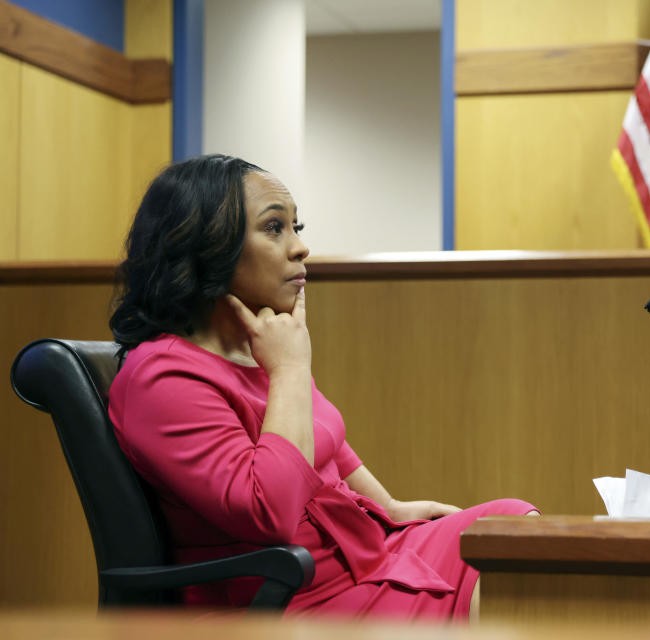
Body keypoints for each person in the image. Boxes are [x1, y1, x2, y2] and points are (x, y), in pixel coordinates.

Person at [108, 154, 538, 620]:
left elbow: (330, 443)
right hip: (294, 597)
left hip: (359, 558)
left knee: (510, 527)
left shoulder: (258, 346)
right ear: (206, 246)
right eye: (275, 228)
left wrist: (390, 505)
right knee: (506, 584)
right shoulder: (163, 378)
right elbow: (268, 511)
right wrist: (290, 371)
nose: (300, 248)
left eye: (297, 227)